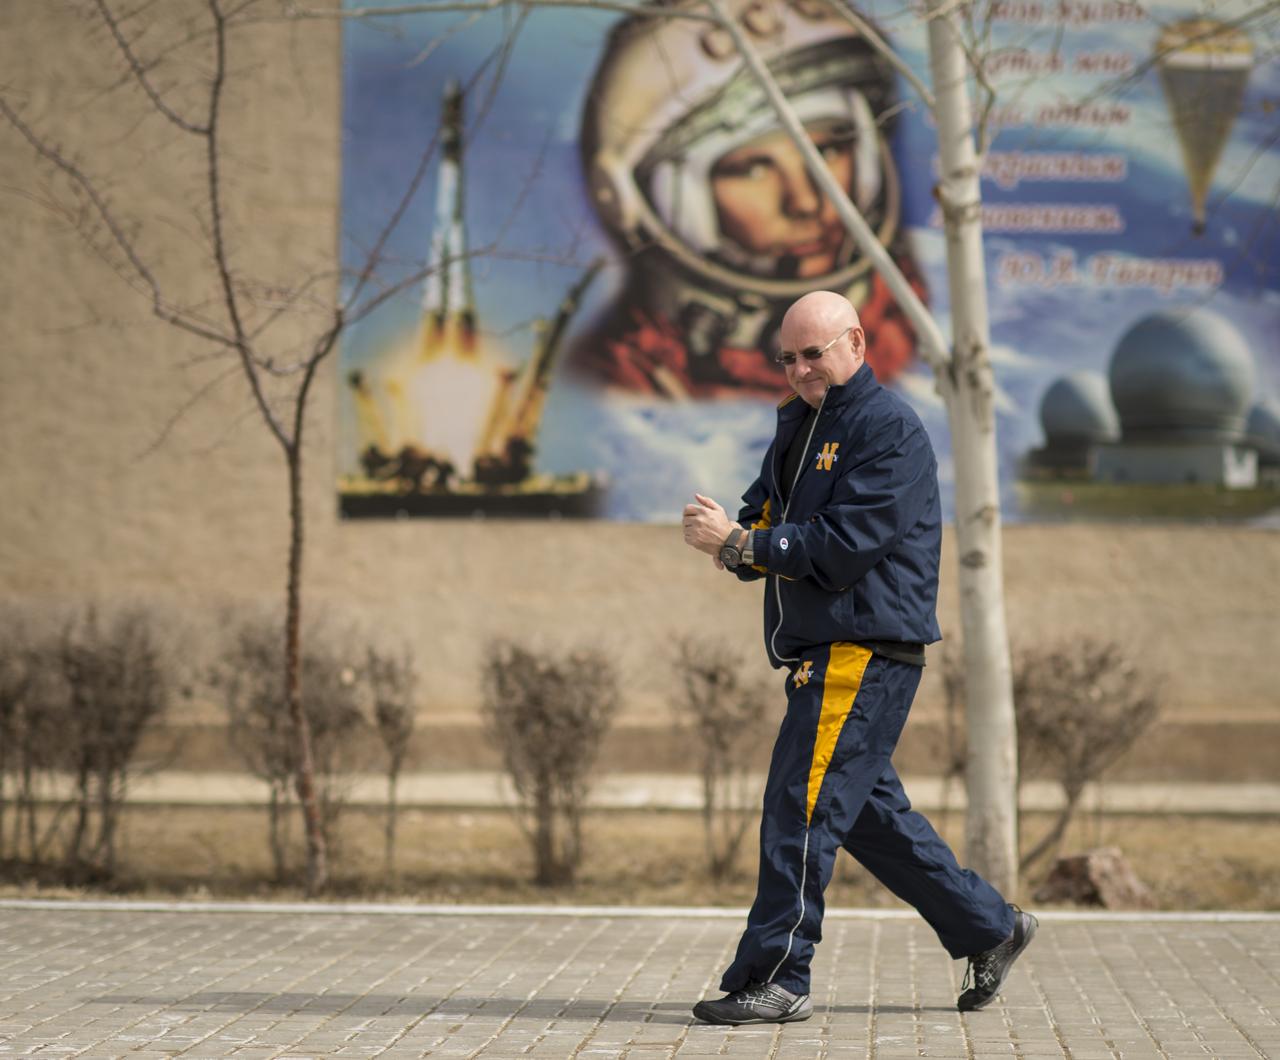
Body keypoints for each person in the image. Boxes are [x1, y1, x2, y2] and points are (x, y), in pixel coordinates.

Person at [680, 290, 1036, 1023]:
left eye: (814, 353)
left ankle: (778, 977)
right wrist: (734, 540)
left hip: (860, 648)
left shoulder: (886, 428)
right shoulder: (800, 425)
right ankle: (989, 927)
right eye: (788, 357)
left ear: (856, 344)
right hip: (827, 648)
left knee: (799, 807)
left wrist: (744, 545)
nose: (800, 369)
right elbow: (766, 519)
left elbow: (843, 547)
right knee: (869, 816)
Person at [570, 0, 926, 399]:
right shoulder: (622, 387)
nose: (806, 202)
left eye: (828, 150)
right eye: (753, 169)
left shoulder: (917, 327)